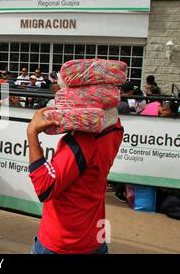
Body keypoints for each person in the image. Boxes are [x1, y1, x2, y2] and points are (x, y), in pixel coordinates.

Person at [26, 108, 124, 254]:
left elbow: (45, 187)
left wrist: (31, 132)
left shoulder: (84, 141)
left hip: (64, 242)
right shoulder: (115, 125)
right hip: (95, 237)